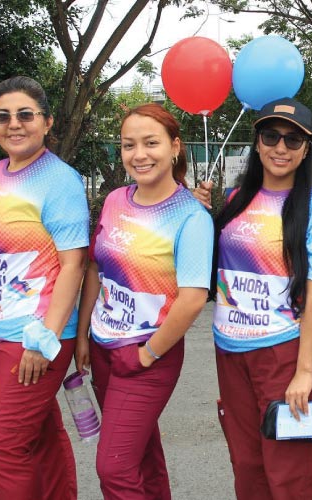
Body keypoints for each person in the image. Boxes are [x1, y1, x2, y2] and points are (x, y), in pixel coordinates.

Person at [193, 97, 312, 499]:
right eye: (271, 135)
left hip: (285, 352)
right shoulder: (233, 200)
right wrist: (195, 216)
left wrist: (305, 373)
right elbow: (207, 271)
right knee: (247, 466)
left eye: (293, 140)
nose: (281, 147)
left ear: (306, 149)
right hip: (231, 350)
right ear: (257, 143)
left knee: (289, 472)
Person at [75, 103, 213, 500]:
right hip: (103, 349)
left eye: (151, 143)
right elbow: (95, 270)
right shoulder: (116, 200)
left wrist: (147, 355)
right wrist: (84, 336)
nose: (139, 154)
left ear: (174, 147)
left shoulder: (191, 217)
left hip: (148, 354)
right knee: (142, 457)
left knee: (113, 466)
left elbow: (192, 299)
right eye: (128, 145)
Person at [0, 76, 89, 499]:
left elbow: (74, 264)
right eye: (3, 116)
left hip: (33, 338)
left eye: (25, 114)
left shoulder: (60, 180)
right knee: (41, 437)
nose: (13, 124)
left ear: (47, 122)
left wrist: (44, 340)